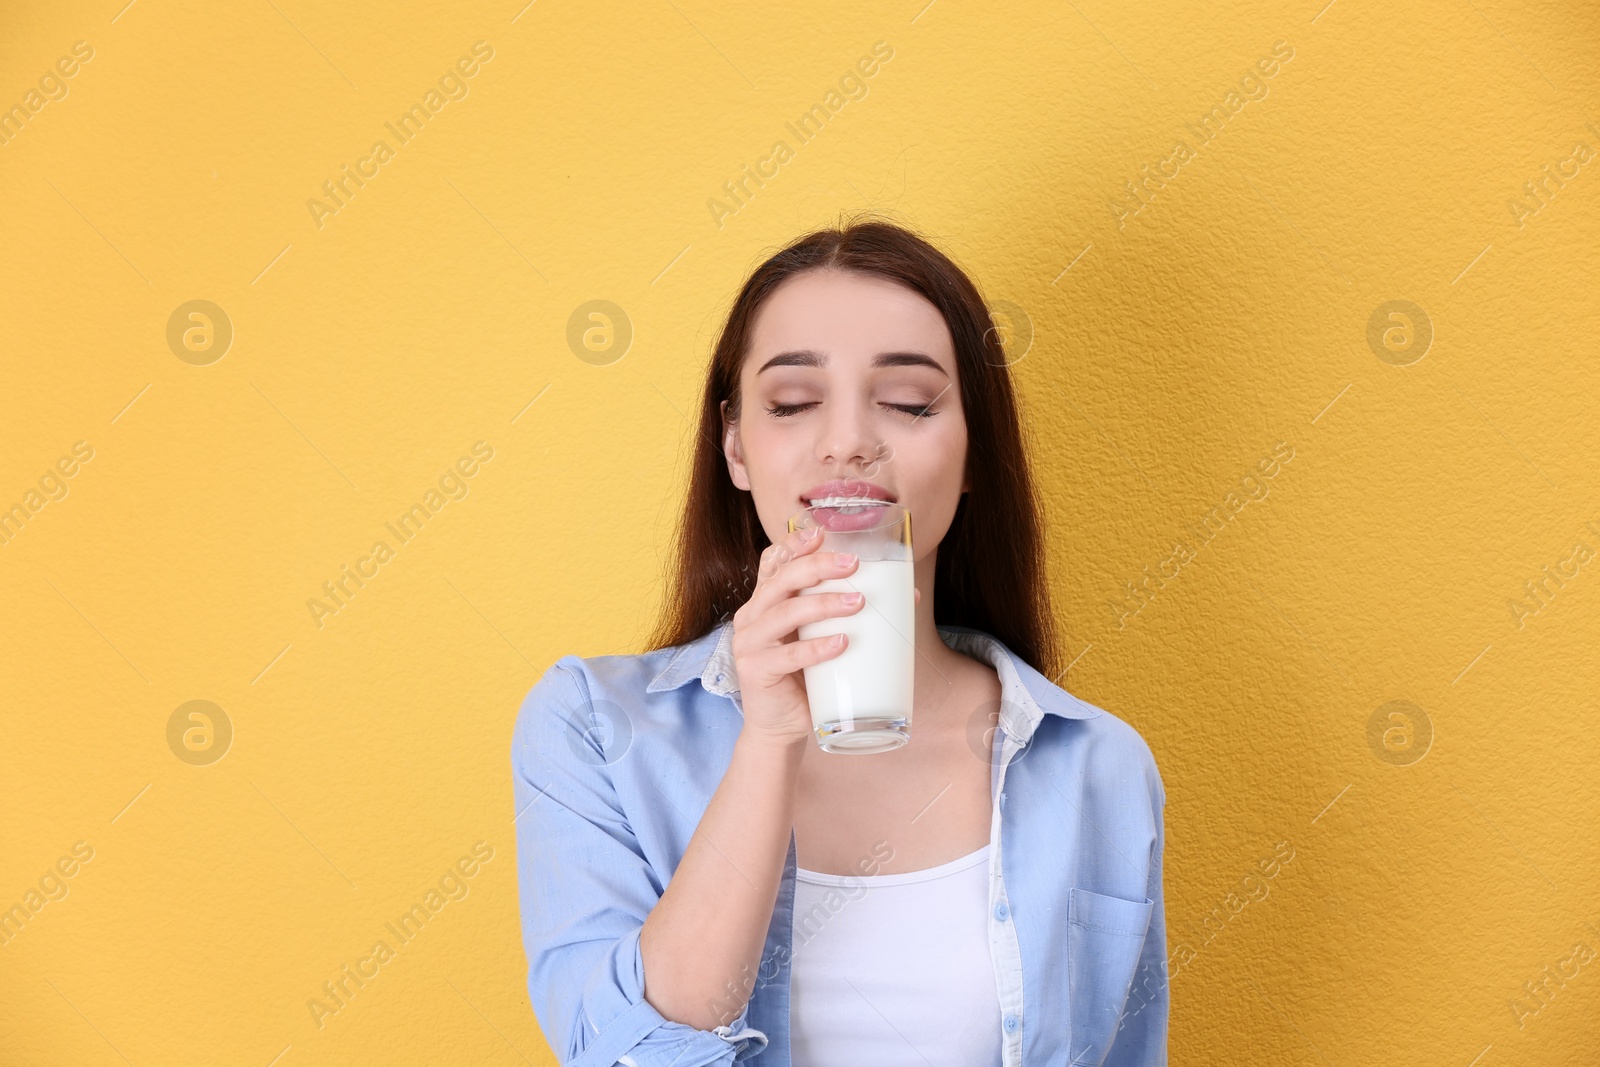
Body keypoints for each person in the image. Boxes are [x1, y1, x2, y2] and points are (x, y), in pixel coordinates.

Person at [512, 217, 1169, 1066]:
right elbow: (623, 1057)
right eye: (791, 403)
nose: (850, 439)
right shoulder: (592, 729)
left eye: (906, 402)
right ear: (735, 446)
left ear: (973, 450)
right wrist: (770, 738)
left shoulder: (1098, 767)